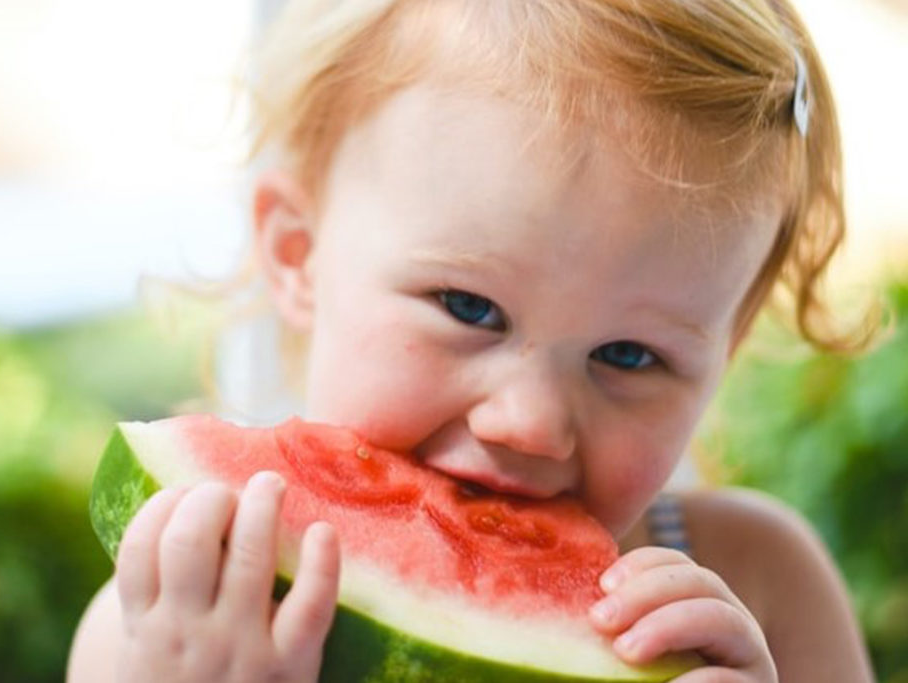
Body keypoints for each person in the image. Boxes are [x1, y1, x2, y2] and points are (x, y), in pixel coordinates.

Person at [67, 1, 880, 681]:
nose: (529, 422)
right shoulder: (160, 631)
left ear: (723, 355)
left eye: (629, 355)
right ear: (299, 255)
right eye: (468, 305)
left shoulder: (769, 582)